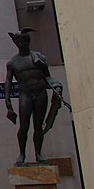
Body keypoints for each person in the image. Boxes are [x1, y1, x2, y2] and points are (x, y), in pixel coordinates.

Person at [5, 28, 64, 163]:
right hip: (25, 94)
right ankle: (22, 154)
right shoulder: (12, 63)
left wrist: (57, 87)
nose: (23, 43)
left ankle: (38, 153)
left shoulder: (38, 57)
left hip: (40, 93)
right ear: (16, 42)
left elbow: (47, 77)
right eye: (20, 40)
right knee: (24, 126)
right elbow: (8, 82)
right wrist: (8, 104)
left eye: (26, 40)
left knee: (38, 126)